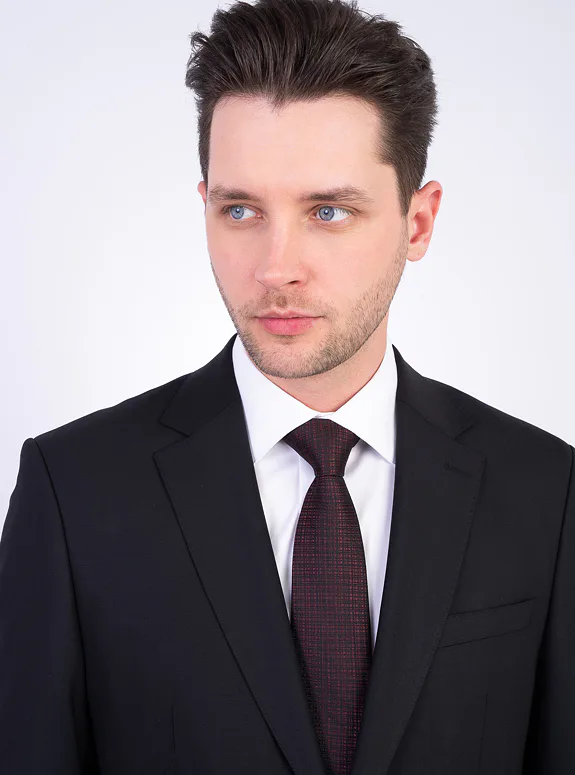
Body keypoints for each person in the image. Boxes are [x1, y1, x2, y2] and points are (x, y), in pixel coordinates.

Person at [1, 0, 573, 772]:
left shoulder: (544, 490)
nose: (276, 268)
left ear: (417, 223)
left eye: (328, 211)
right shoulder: (73, 490)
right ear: (204, 208)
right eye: (240, 210)